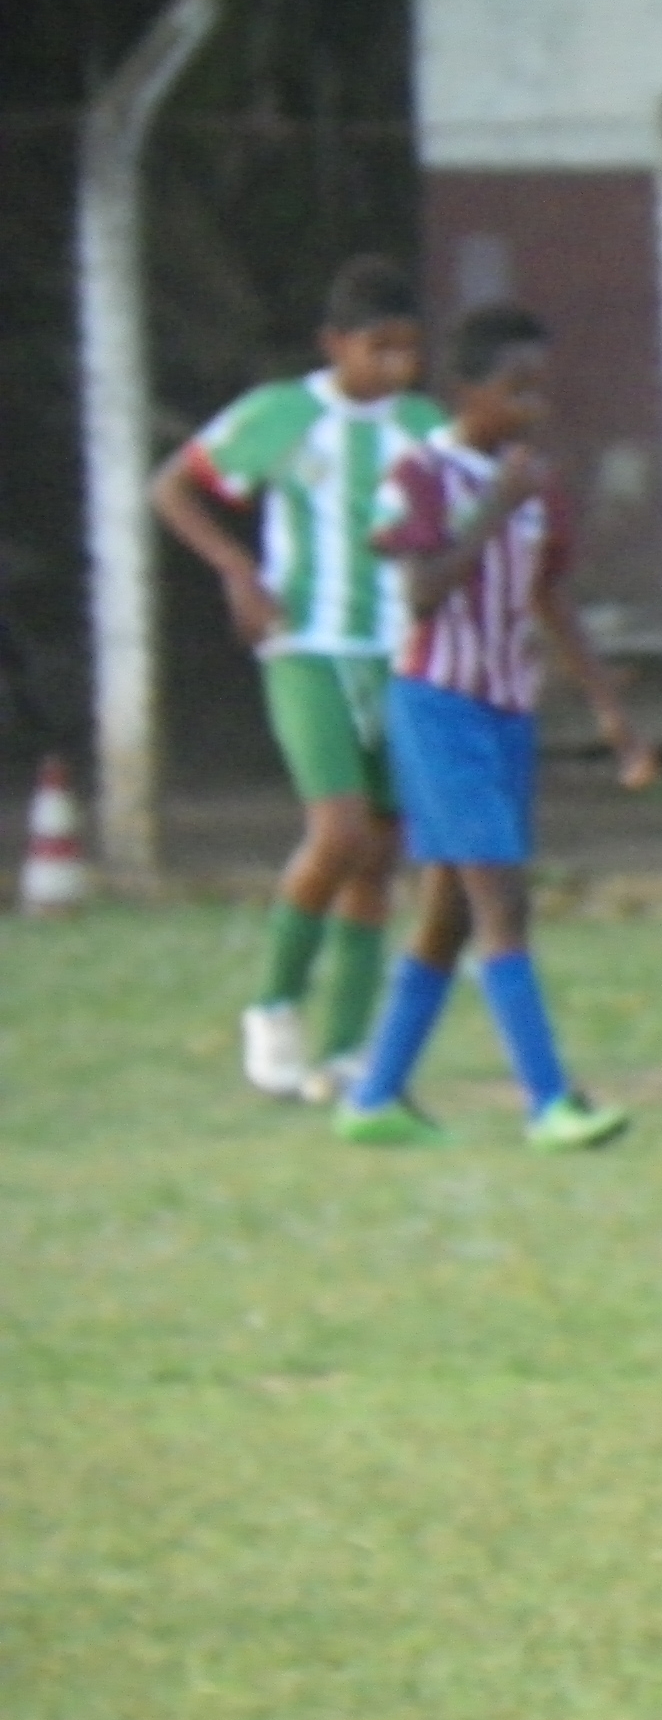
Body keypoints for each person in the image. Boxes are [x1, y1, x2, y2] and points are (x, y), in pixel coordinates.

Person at [333, 303, 654, 1152]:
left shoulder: (534, 482)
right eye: (517, 389)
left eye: (540, 390)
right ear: (466, 391)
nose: (533, 407)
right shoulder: (420, 476)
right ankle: (549, 1102)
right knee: (502, 900)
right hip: (439, 708)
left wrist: (611, 709)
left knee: (448, 915)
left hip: (508, 712)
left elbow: (550, 597)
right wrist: (492, 509)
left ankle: (374, 1098)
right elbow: (422, 594)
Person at [152, 256, 445, 1102]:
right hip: (307, 647)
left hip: (400, 654)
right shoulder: (282, 415)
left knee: (380, 849)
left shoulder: (425, 428)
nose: (395, 366)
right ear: (334, 344)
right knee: (339, 831)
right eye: (379, 348)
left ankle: (346, 1049)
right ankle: (275, 1005)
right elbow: (172, 488)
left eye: (409, 350)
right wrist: (237, 569)